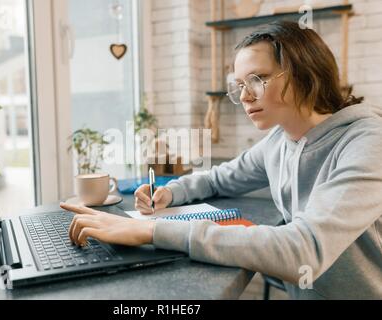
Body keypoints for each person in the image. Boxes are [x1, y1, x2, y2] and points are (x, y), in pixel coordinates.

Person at [60, 21, 382, 299]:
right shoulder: (279, 140)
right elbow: (218, 178)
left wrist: (152, 231)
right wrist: (171, 192)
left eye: (257, 79)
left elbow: (305, 249)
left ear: (303, 73)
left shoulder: (368, 142)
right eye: (239, 86)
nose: (243, 97)